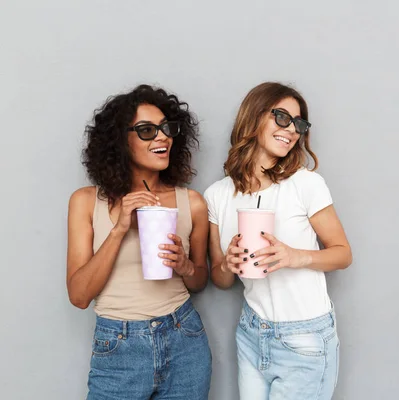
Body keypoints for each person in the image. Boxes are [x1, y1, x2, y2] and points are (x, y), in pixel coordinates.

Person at [205, 82, 352, 400]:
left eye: (299, 124)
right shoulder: (217, 195)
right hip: (251, 332)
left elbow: (342, 254)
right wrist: (228, 264)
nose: (292, 130)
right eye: (282, 117)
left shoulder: (306, 184)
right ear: (255, 116)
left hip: (305, 337)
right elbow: (220, 279)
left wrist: (294, 256)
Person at [67, 84, 212, 399]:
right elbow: (79, 296)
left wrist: (185, 266)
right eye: (147, 130)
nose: (162, 137)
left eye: (166, 129)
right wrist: (119, 228)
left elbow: (200, 281)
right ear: (120, 140)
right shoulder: (85, 202)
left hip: (184, 337)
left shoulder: (193, 203)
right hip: (119, 345)